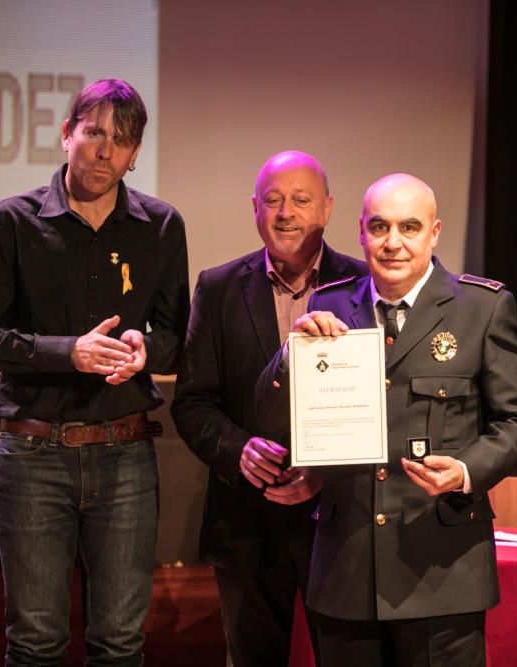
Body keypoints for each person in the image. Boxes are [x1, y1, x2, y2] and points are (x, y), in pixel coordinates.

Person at [254, 173, 517, 666]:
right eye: (379, 227)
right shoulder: (329, 304)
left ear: (434, 232)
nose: (393, 243)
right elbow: (269, 413)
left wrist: (468, 471)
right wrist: (291, 354)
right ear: (360, 232)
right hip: (349, 569)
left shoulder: (483, 307)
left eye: (409, 227)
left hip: (442, 568)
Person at [0, 79, 189, 666]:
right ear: (67, 135)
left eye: (123, 140)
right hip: (33, 455)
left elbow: (178, 338)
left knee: (120, 644)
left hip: (126, 455)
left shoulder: (161, 226)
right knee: (34, 645)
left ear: (136, 155)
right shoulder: (11, 221)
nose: (106, 151)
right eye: (95, 133)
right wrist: (67, 352)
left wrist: (145, 349)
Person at [171, 150, 366, 666]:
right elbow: (193, 403)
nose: (286, 213)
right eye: (273, 201)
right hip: (248, 523)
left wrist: (328, 470)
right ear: (255, 209)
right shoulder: (217, 289)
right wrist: (239, 451)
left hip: (343, 521)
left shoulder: (366, 285)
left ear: (327, 209)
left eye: (300, 200)